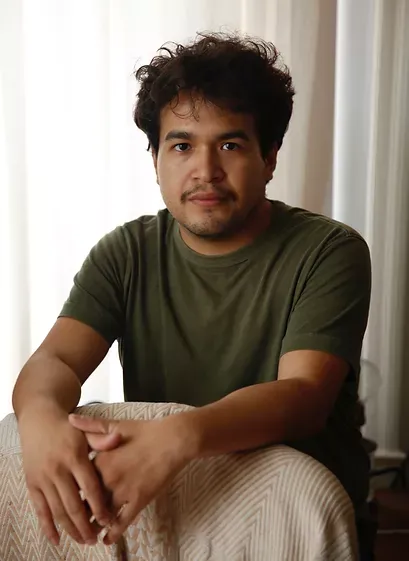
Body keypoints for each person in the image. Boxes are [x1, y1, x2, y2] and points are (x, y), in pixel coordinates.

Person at [12, 32, 372, 554]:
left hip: (294, 514)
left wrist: (179, 435)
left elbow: (304, 397)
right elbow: (56, 361)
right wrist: (41, 418)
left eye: (230, 144)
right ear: (156, 160)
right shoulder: (125, 252)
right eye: (182, 145)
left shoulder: (329, 250)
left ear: (270, 158)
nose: (206, 171)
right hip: (169, 500)